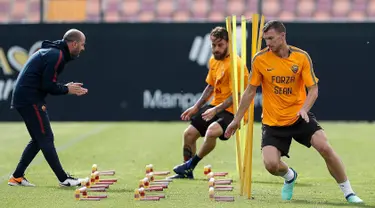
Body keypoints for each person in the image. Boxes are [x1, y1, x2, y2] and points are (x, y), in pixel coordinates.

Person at [224, 20, 363, 203]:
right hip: (273, 122)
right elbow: (250, 92)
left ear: (283, 36)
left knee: (324, 147)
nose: (268, 44)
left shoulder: (301, 57)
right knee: (271, 165)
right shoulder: (260, 59)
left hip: (299, 116)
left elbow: (313, 89)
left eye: (271, 39)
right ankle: (290, 176)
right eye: (266, 39)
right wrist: (236, 119)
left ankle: (349, 192)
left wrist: (304, 109)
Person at [8, 29, 88, 187]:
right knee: (46, 138)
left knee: (39, 139)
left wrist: (65, 87)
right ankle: (64, 179)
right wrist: (66, 89)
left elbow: (46, 83)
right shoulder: (56, 56)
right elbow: (48, 85)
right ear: (74, 44)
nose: (83, 48)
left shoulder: (55, 53)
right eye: (82, 45)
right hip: (29, 99)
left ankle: (17, 177)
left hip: (25, 98)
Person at [169, 26, 249, 179]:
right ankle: (187, 172)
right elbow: (210, 86)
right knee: (189, 134)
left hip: (236, 110)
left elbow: (238, 95)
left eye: (220, 45)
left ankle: (190, 164)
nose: (216, 49)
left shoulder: (237, 65)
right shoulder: (214, 60)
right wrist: (196, 107)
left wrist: (216, 110)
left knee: (211, 131)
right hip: (217, 106)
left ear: (228, 44)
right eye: (213, 45)